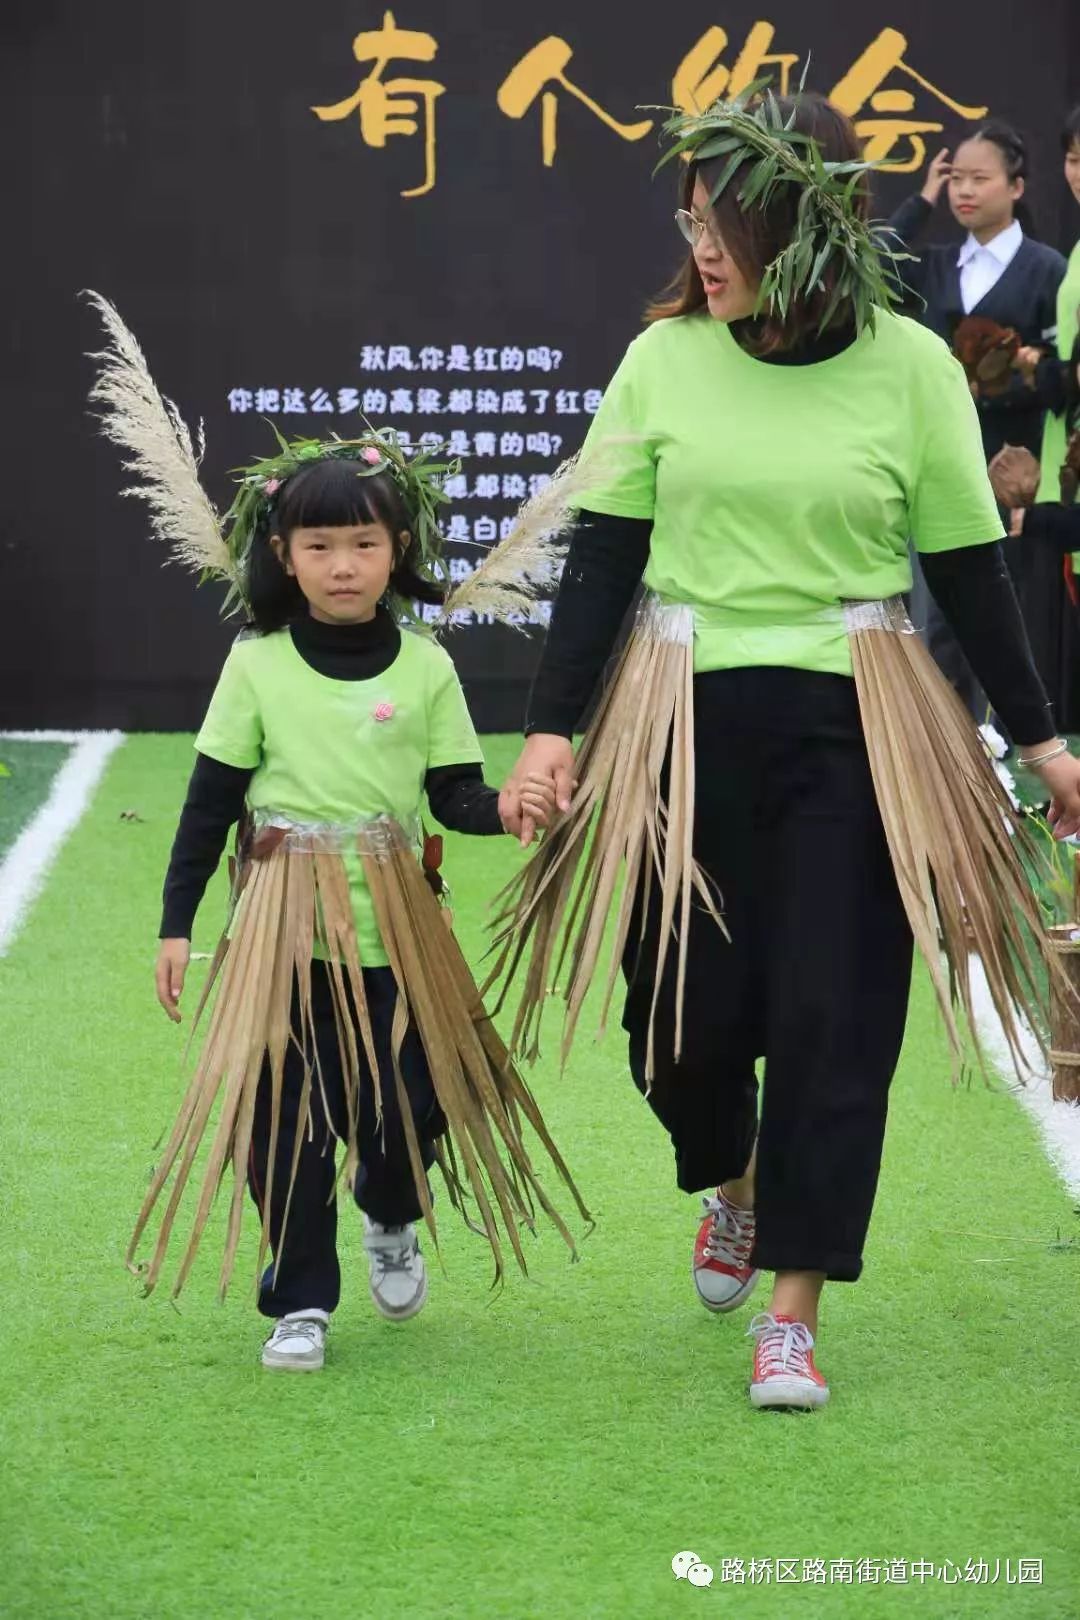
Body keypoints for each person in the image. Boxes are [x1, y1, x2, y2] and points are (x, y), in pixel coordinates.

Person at [492, 93, 1080, 1412]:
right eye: (691, 214)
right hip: (677, 717)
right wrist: (548, 737)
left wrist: (1042, 742)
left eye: (731, 218)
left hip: (860, 722)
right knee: (673, 1031)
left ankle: (795, 1312)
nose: (704, 243)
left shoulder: (911, 366)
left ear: (817, 225)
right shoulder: (662, 361)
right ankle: (737, 1185)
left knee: (834, 1016)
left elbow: (970, 572)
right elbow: (604, 559)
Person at [85, 294, 589, 1372]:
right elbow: (209, 801)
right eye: (321, 545)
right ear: (284, 551)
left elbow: (456, 796)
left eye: (363, 543)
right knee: (280, 1122)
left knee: (416, 1106)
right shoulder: (256, 664)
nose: (344, 564)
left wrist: (507, 809)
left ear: (396, 547)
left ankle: (390, 1206)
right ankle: (299, 1297)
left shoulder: (426, 668)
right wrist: (178, 924)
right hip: (279, 930)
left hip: (399, 936)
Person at [888, 121, 1068, 719]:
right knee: (933, 613)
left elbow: (1062, 376)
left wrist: (1018, 373)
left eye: (979, 179)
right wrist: (921, 202)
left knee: (1000, 615)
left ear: (1016, 186)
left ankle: (1002, 749)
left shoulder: (1049, 270)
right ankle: (943, 751)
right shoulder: (934, 264)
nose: (965, 191)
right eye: (955, 178)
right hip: (936, 463)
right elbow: (873, 264)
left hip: (1012, 470)